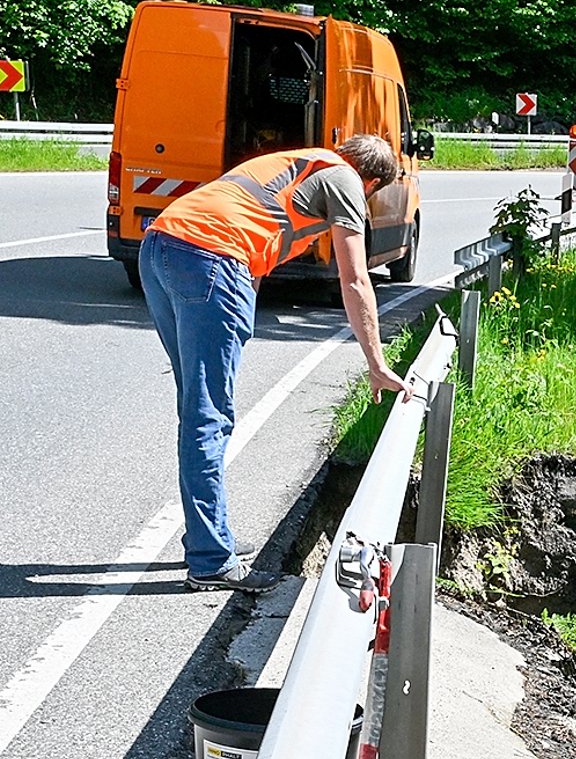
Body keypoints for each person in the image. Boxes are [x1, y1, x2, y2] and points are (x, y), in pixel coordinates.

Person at [140, 134, 412, 593]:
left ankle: (211, 535)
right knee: (208, 416)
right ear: (370, 182)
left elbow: (255, 248)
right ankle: (210, 561)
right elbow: (355, 278)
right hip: (211, 258)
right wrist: (375, 360)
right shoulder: (344, 178)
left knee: (196, 407)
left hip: (161, 246)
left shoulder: (293, 163)